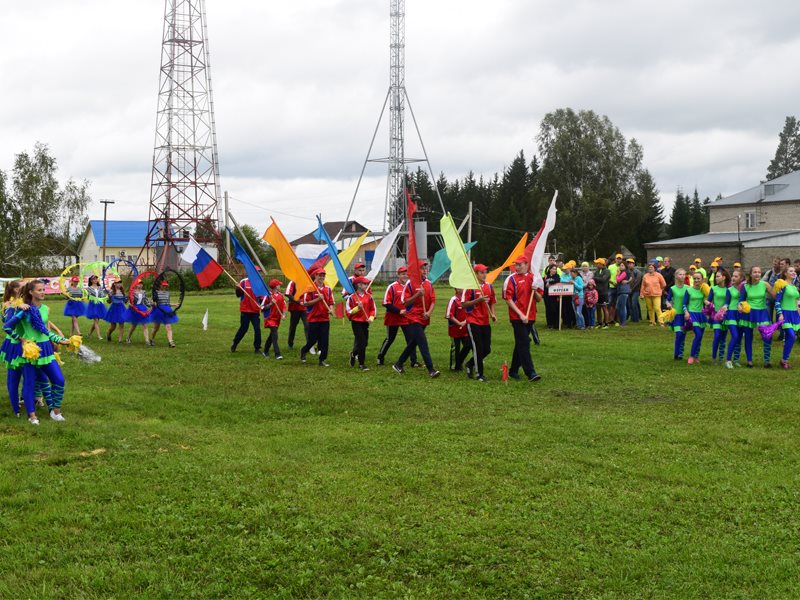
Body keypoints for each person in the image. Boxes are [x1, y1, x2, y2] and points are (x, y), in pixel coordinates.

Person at [4, 280, 70, 424]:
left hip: (45, 349)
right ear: (31, 292)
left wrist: (59, 340)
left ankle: (56, 411)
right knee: (29, 382)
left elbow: (44, 331)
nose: (43, 292)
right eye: (39, 290)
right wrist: (20, 339)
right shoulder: (24, 309)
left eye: (43, 289)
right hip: (30, 351)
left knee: (59, 379)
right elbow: (7, 327)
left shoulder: (45, 308)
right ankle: (32, 416)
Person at [392, 265, 440, 378]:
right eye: (422, 268)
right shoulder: (410, 284)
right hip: (413, 318)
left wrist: (428, 313)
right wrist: (417, 294)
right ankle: (431, 369)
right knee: (423, 342)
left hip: (424, 317)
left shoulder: (428, 283)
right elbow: (405, 302)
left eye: (426, 268)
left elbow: (433, 300)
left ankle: (399, 364)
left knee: (414, 342)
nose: (425, 270)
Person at [502, 255, 542, 382]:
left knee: (520, 343)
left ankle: (513, 370)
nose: (517, 267)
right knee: (525, 343)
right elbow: (508, 299)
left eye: (520, 265)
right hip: (517, 317)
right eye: (516, 265)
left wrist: (535, 290)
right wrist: (520, 314)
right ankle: (530, 372)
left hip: (530, 316)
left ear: (526, 264)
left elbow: (539, 299)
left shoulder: (533, 278)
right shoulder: (511, 279)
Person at [461, 264, 497, 381]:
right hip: (473, 321)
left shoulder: (489, 287)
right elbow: (463, 304)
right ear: (475, 274)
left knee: (487, 349)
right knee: (478, 348)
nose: (484, 275)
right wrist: (478, 300)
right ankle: (479, 374)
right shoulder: (470, 287)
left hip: (485, 322)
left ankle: (470, 364)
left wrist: (493, 314)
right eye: (481, 272)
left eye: (485, 272)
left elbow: (492, 301)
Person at [739, 265, 774, 368]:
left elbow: (775, 296)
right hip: (749, 314)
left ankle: (767, 361)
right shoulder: (745, 286)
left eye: (759, 272)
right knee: (748, 337)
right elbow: (741, 299)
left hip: (762, 313)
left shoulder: (765, 284)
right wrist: (740, 305)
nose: (757, 274)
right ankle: (749, 361)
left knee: (767, 336)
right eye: (755, 272)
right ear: (750, 274)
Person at [377, 267, 412, 366]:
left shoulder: (411, 287)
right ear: (398, 275)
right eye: (402, 274)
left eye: (406, 274)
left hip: (406, 318)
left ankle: (413, 361)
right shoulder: (392, 287)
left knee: (410, 339)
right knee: (390, 339)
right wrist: (398, 311)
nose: (405, 276)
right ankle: (380, 356)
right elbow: (386, 303)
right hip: (393, 317)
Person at [300, 269, 334, 366]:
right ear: (315, 276)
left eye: (323, 275)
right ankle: (303, 351)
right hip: (313, 318)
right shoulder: (310, 288)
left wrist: (331, 309)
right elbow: (305, 303)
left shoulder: (327, 289)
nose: (322, 277)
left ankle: (322, 360)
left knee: (325, 340)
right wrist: (318, 299)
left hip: (324, 319)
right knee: (312, 340)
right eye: (320, 275)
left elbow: (331, 302)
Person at [346, 276, 376, 371]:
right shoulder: (352, 297)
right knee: (362, 342)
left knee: (364, 343)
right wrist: (357, 308)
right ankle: (362, 364)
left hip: (365, 322)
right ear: (358, 285)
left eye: (367, 284)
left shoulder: (369, 297)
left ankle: (353, 354)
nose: (366, 285)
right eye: (364, 284)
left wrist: (371, 318)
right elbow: (348, 311)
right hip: (356, 323)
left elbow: (373, 309)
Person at [775, 266, 800, 369]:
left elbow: (797, 302)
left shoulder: (794, 287)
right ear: (785, 273)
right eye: (791, 271)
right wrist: (780, 314)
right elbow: (777, 301)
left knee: (792, 337)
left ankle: (784, 360)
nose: (793, 272)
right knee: (791, 335)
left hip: (795, 315)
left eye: (794, 271)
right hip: (785, 314)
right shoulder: (782, 285)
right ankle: (784, 360)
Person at [231, 277, 264, 354]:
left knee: (257, 329)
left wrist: (262, 305)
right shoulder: (244, 282)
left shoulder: (259, 283)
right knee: (243, 329)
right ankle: (235, 343)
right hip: (245, 310)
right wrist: (238, 288)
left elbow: (262, 298)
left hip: (255, 311)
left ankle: (257, 348)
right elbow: (238, 295)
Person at [684, 271, 709, 364]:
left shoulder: (704, 290)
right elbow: (684, 304)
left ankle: (696, 356)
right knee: (698, 334)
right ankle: (691, 356)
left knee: (700, 337)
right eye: (694, 278)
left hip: (701, 315)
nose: (696, 280)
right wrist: (686, 312)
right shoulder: (689, 290)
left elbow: (709, 301)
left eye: (698, 278)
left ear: (702, 279)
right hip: (692, 314)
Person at [707, 269, 730, 364]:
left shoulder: (728, 289)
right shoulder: (713, 288)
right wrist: (707, 304)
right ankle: (713, 357)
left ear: (724, 277)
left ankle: (721, 357)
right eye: (716, 276)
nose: (716, 278)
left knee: (723, 337)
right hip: (716, 316)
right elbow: (708, 301)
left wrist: (725, 307)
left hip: (725, 316)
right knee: (717, 336)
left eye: (718, 276)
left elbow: (728, 302)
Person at [665, 269, 689, 360]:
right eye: (680, 274)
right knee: (679, 334)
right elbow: (667, 299)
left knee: (683, 334)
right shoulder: (673, 288)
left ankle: (680, 354)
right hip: (677, 315)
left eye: (684, 274)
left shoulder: (688, 288)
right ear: (676, 276)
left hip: (685, 314)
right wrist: (668, 303)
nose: (682, 276)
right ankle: (676, 354)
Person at [724, 269, 744, 369]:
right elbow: (727, 302)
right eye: (733, 275)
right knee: (735, 336)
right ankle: (728, 360)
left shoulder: (744, 289)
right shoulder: (729, 289)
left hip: (741, 314)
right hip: (731, 313)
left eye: (736, 276)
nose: (733, 278)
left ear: (741, 279)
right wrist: (725, 307)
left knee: (739, 338)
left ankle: (736, 359)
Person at [446, 289, 469, 372]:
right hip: (454, 329)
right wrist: (459, 323)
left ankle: (459, 362)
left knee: (468, 345)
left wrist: (465, 322)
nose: (462, 289)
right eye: (459, 287)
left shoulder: (467, 300)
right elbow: (449, 315)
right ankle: (453, 366)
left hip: (465, 329)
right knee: (455, 348)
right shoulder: (453, 300)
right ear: (456, 289)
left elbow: (471, 312)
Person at [262, 279, 287, 359]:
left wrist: (283, 314)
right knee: (275, 335)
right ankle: (277, 354)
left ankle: (265, 351)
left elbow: (284, 306)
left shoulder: (280, 295)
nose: (280, 286)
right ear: (276, 286)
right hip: (270, 318)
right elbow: (262, 307)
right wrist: (270, 304)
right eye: (279, 285)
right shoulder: (268, 295)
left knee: (272, 336)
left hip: (277, 319)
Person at [150, 280, 178, 348]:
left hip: (167, 311)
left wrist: (174, 304)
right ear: (160, 285)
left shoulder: (167, 293)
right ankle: (152, 339)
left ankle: (171, 342)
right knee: (156, 328)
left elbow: (167, 303)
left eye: (165, 286)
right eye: (163, 285)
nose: (164, 287)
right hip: (158, 311)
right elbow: (151, 302)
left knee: (168, 327)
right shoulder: (155, 293)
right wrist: (153, 303)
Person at [285, 279, 309, 351]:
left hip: (305, 308)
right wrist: (298, 302)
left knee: (307, 326)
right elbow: (288, 294)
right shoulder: (293, 282)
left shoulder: (307, 281)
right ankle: (290, 343)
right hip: (295, 309)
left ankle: (309, 345)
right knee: (293, 326)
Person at [126, 279, 152, 345]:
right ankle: (128, 337)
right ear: (136, 284)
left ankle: (147, 340)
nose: (140, 285)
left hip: (142, 309)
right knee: (134, 325)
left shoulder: (143, 292)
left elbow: (146, 301)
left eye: (141, 284)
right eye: (139, 284)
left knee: (145, 324)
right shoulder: (132, 292)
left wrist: (151, 304)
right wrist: (130, 304)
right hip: (135, 309)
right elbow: (129, 301)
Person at [642, 261, 666, 326]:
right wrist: (642, 294)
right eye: (649, 267)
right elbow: (643, 286)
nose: (650, 268)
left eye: (652, 267)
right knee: (650, 309)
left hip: (657, 294)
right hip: (647, 294)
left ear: (654, 268)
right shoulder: (645, 276)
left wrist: (660, 289)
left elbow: (663, 284)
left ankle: (661, 322)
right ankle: (652, 321)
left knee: (657, 308)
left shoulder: (659, 275)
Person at [84, 275, 107, 341]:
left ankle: (89, 333)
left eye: (96, 279)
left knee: (96, 321)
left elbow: (102, 295)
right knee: (96, 320)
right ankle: (99, 336)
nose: (95, 280)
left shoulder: (100, 287)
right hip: (93, 305)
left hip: (99, 305)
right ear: (91, 280)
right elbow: (88, 297)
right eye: (94, 279)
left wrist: (106, 296)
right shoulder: (89, 288)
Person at [615, 260, 633, 327]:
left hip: (623, 291)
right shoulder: (624, 272)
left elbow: (618, 280)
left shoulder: (624, 272)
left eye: (622, 265)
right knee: (620, 307)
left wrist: (617, 274)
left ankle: (623, 323)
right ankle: (622, 322)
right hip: (622, 291)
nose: (621, 266)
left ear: (625, 266)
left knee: (622, 307)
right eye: (620, 265)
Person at [543, 265, 561, 329]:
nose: (554, 270)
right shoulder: (546, 276)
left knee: (554, 310)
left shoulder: (557, 276)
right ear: (550, 269)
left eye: (555, 269)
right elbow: (543, 283)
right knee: (548, 310)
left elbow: (556, 280)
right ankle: (549, 324)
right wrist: (546, 281)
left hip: (554, 296)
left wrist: (549, 282)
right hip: (546, 295)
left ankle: (555, 324)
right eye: (553, 269)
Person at [608, 253, 624, 324]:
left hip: (619, 288)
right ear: (615, 259)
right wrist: (611, 282)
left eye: (620, 259)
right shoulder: (610, 266)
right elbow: (607, 276)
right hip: (611, 287)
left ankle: (616, 319)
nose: (618, 260)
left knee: (617, 305)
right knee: (609, 304)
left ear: (622, 260)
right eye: (617, 258)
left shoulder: (622, 267)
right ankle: (609, 319)